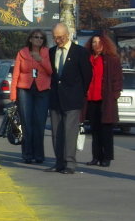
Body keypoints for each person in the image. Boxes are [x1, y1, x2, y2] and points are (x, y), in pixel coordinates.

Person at [45, 23, 92, 174]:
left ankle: (70, 163)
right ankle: (59, 162)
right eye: (55, 37)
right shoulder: (51, 52)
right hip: (55, 98)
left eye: (60, 37)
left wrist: (80, 93)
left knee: (69, 132)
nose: (57, 40)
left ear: (67, 35)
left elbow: (87, 75)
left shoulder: (80, 52)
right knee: (56, 133)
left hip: (72, 99)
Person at [10, 29, 52, 164]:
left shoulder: (47, 52)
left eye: (41, 38)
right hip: (25, 90)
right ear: (30, 39)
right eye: (36, 37)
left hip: (42, 90)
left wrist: (41, 60)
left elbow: (51, 71)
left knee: (39, 124)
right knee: (27, 124)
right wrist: (13, 94)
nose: (38, 39)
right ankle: (27, 155)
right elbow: (16, 73)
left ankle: (39, 155)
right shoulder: (22, 53)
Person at [82, 32, 123, 168]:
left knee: (106, 131)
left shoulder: (111, 59)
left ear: (104, 44)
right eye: (94, 42)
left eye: (99, 42)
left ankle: (107, 158)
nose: (96, 45)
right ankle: (96, 157)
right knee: (95, 130)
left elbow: (117, 79)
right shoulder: (89, 58)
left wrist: (114, 95)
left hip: (106, 100)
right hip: (92, 99)